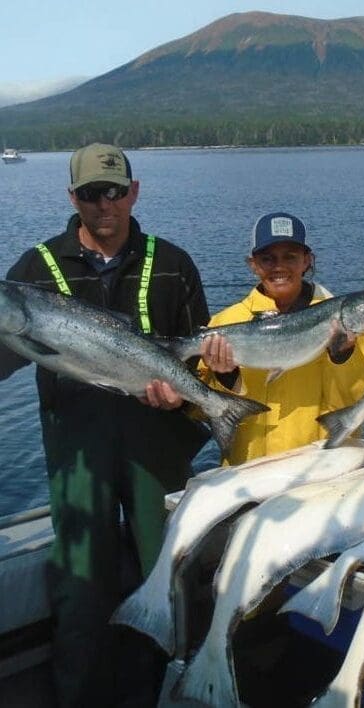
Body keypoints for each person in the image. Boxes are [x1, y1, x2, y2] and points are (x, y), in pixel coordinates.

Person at [0, 143, 210, 707]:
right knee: (79, 590)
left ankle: (162, 694)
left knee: (164, 580)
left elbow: (201, 368)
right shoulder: (32, 272)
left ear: (134, 192)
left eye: (115, 191)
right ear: (73, 198)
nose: (105, 205)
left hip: (158, 450)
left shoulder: (173, 263)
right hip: (77, 454)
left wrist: (187, 401)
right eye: (92, 194)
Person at [200, 211, 364, 465]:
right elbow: (205, 410)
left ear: (307, 260)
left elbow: (355, 404)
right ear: (253, 264)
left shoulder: (341, 324)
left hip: (322, 465)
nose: (279, 267)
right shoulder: (224, 324)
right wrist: (226, 377)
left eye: (290, 257)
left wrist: (342, 357)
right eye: (268, 259)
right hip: (249, 467)